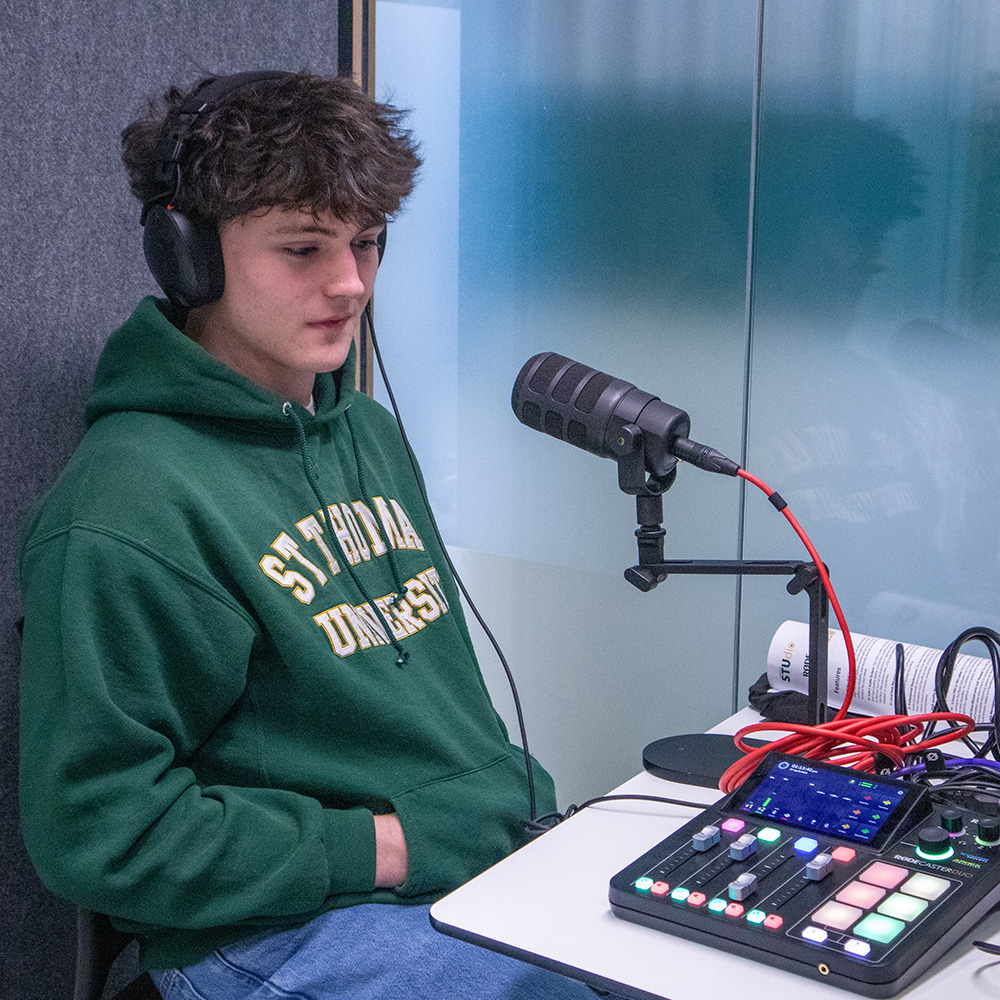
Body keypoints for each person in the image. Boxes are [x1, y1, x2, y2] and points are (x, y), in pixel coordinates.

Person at [19, 70, 600, 1000]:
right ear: (187, 255)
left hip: (445, 877)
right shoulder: (126, 504)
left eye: (368, 244)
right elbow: (99, 831)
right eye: (303, 249)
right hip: (272, 929)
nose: (351, 284)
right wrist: (401, 841)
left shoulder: (361, 428)